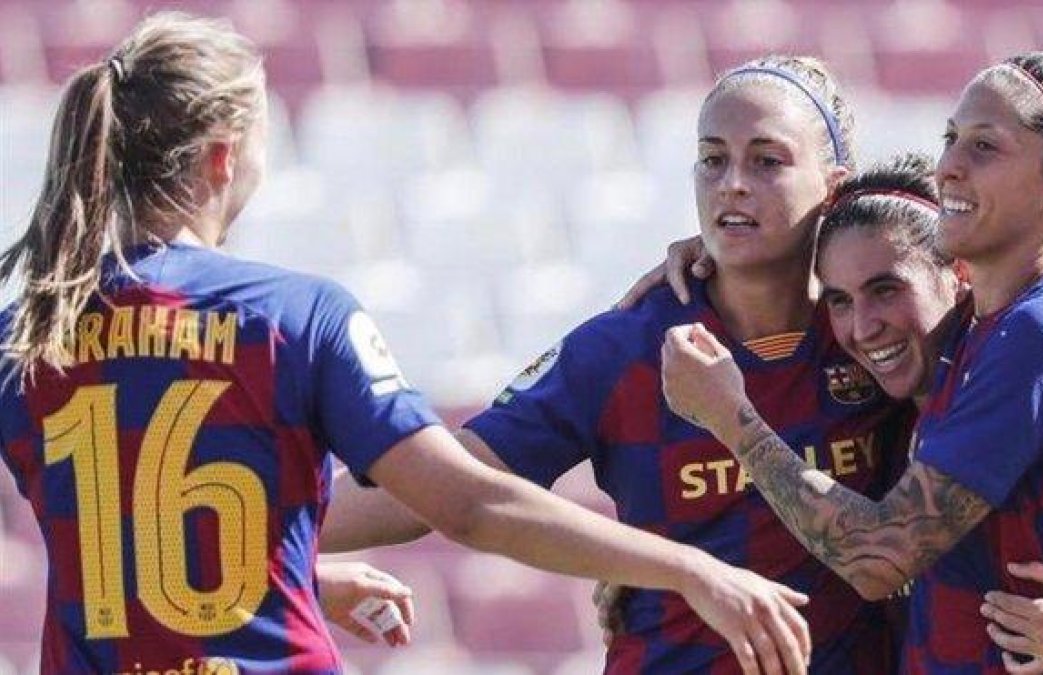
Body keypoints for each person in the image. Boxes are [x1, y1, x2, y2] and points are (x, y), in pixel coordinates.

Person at [0, 13, 812, 675]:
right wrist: (690, 569)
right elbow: (467, 504)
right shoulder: (291, 318)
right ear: (223, 157)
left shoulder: (29, 334)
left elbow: (142, 519)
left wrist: (291, 574)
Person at [322, 55, 919, 674]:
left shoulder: (880, 335)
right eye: (713, 159)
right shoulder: (630, 344)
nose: (733, 183)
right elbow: (442, 485)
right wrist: (267, 518)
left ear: (834, 186)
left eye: (767, 161)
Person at [657, 37, 1043, 673]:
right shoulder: (986, 337)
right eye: (952, 138)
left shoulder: (1041, 336)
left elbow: (878, 559)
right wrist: (724, 250)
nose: (950, 167)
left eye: (985, 146)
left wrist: (733, 420)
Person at [813, 152, 1043, 673]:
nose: (863, 327)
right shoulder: (864, 406)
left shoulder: (1032, 387)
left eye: (887, 289)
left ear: (959, 273)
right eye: (839, 300)